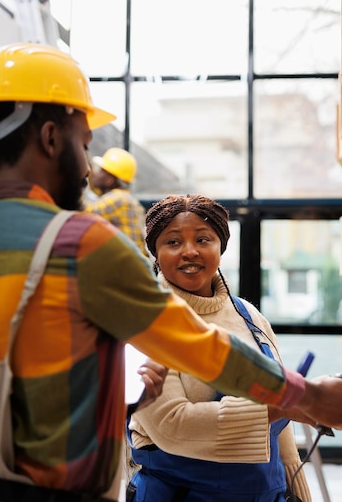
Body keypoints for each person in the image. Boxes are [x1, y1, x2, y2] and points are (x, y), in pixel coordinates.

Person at [0, 43, 342, 502]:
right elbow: (199, 349)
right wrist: (303, 395)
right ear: (51, 138)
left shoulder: (247, 315)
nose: (89, 167)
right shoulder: (78, 244)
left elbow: (36, 385)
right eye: (84, 144)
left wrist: (121, 402)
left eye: (203, 239)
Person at [126, 195, 312, 502]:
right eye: (173, 242)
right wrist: (278, 408)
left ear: (220, 248)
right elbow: (171, 426)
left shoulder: (250, 318)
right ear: (155, 254)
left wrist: (300, 492)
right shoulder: (144, 323)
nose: (189, 251)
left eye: (203, 239)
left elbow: (281, 433)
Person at [85, 147, 149, 258]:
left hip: (129, 269)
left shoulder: (118, 199)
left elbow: (84, 213)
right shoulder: (124, 197)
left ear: (109, 180)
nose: (95, 173)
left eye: (100, 170)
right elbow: (93, 187)